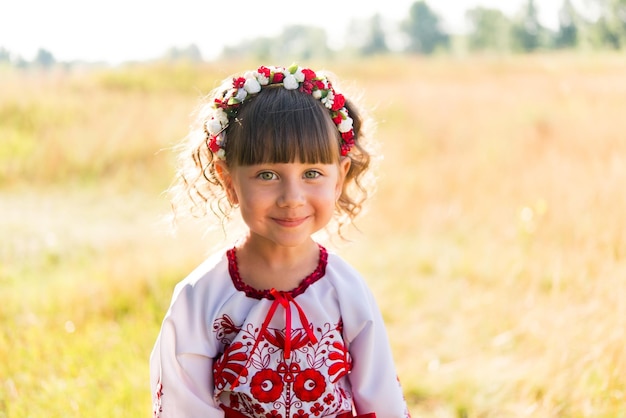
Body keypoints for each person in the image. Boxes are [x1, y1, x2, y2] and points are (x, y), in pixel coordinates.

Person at [150, 64, 411, 418]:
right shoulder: (201, 296)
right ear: (229, 181)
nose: (292, 197)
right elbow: (184, 405)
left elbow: (382, 401)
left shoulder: (346, 290)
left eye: (312, 174)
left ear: (339, 177)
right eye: (267, 175)